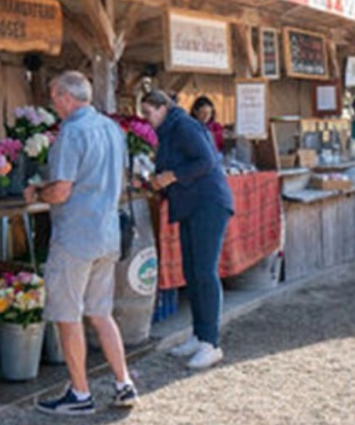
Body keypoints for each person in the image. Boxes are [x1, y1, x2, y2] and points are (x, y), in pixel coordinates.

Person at [25, 71, 138, 416]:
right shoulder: (112, 129)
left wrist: (36, 191)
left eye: (54, 97)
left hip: (75, 236)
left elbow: (61, 191)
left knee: (67, 314)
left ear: (64, 96)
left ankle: (80, 394)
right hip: (107, 232)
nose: (53, 105)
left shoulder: (72, 132)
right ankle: (123, 384)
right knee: (100, 313)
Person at [142, 90, 235, 370]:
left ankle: (211, 343)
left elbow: (205, 161)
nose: (146, 120)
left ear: (162, 108)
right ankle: (199, 334)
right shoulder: (171, 129)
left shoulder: (183, 126)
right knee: (192, 271)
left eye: (148, 113)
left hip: (208, 203)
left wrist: (170, 176)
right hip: (191, 204)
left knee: (204, 272)